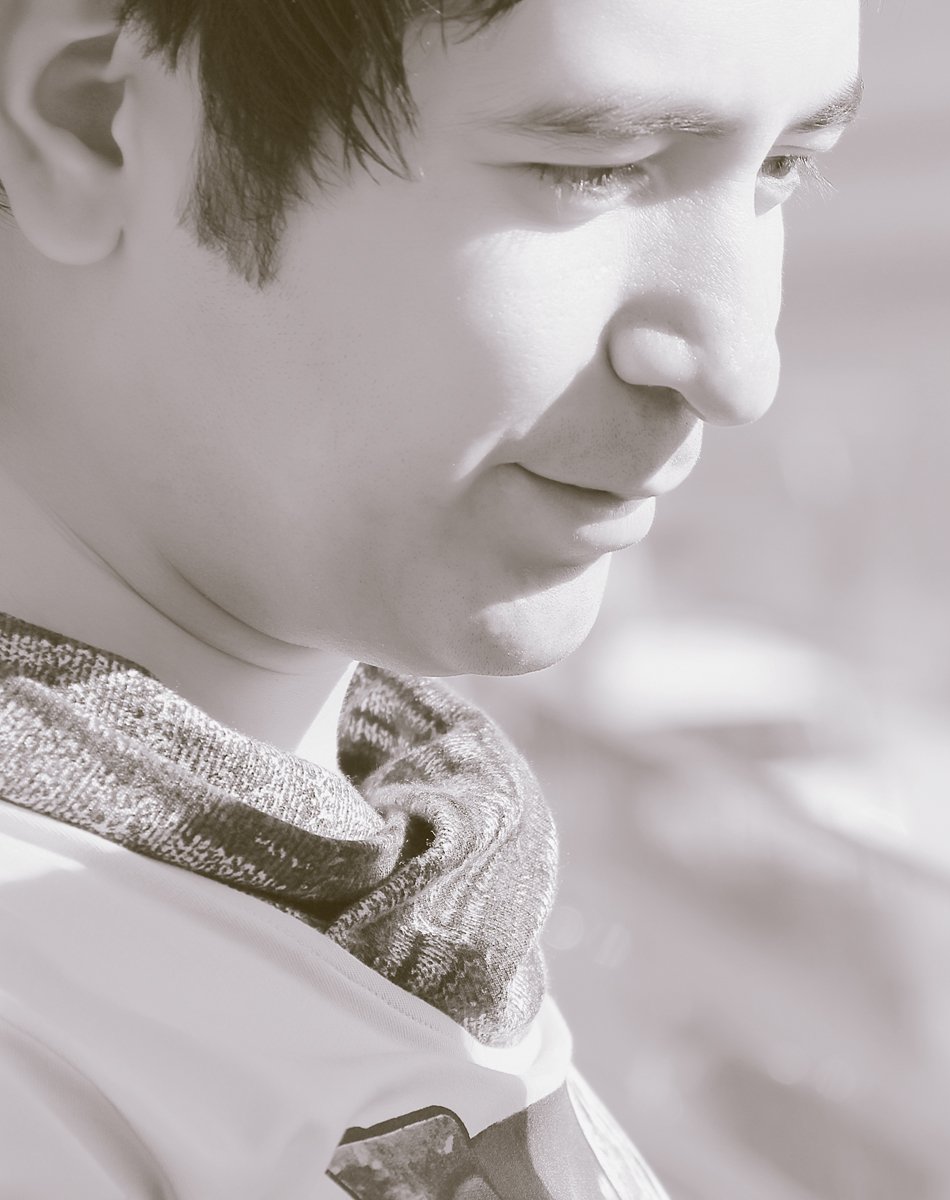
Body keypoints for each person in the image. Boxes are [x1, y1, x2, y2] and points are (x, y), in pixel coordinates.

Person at [0, 0, 859, 1195]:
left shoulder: (407, 874)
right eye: (590, 169)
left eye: (783, 169)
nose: (736, 365)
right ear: (97, 125)